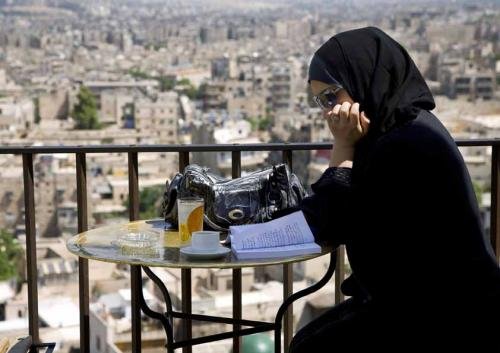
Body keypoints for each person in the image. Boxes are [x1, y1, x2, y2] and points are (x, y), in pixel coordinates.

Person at [289, 27, 500, 351]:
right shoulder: (399, 129)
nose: (329, 111)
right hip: (420, 301)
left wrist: (342, 145)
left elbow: (329, 222)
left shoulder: (404, 144)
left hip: (444, 313)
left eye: (332, 96)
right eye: (321, 101)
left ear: (363, 80)